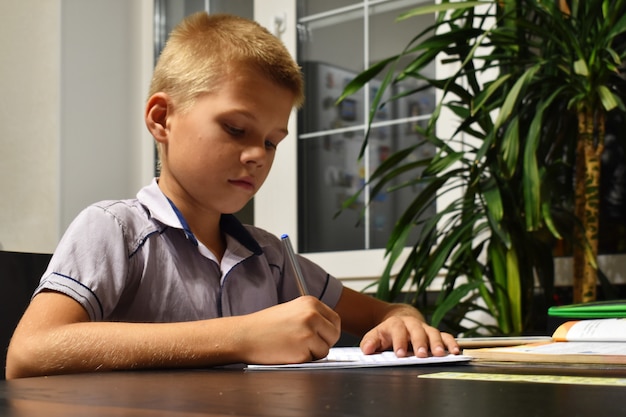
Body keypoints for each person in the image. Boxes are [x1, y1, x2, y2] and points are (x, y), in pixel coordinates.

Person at [6, 12, 459, 379]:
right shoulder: (115, 229)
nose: (256, 155)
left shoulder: (270, 258)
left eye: (270, 142)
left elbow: (389, 311)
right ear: (162, 118)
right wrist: (243, 335)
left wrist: (404, 319)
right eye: (236, 129)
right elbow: (29, 352)